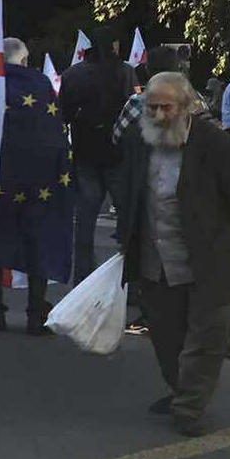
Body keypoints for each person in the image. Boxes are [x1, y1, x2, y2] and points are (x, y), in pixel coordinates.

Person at [116, 72, 230, 436]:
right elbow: (128, 190)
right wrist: (125, 238)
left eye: (166, 108)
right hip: (155, 261)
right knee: (166, 338)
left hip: (208, 260)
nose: (158, 116)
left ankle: (189, 407)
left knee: (205, 340)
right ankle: (181, 390)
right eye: (151, 108)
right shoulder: (139, 141)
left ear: (186, 107)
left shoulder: (215, 144)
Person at [0, 38, 70, 336]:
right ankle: (37, 313)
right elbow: (54, 127)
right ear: (24, 60)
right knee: (38, 239)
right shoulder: (41, 84)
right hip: (41, 177)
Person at [60, 31, 138, 281]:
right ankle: (132, 274)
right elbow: (136, 107)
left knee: (85, 221)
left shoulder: (72, 74)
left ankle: (83, 278)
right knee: (128, 218)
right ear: (114, 45)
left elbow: (63, 114)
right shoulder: (126, 72)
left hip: (85, 151)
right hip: (118, 153)